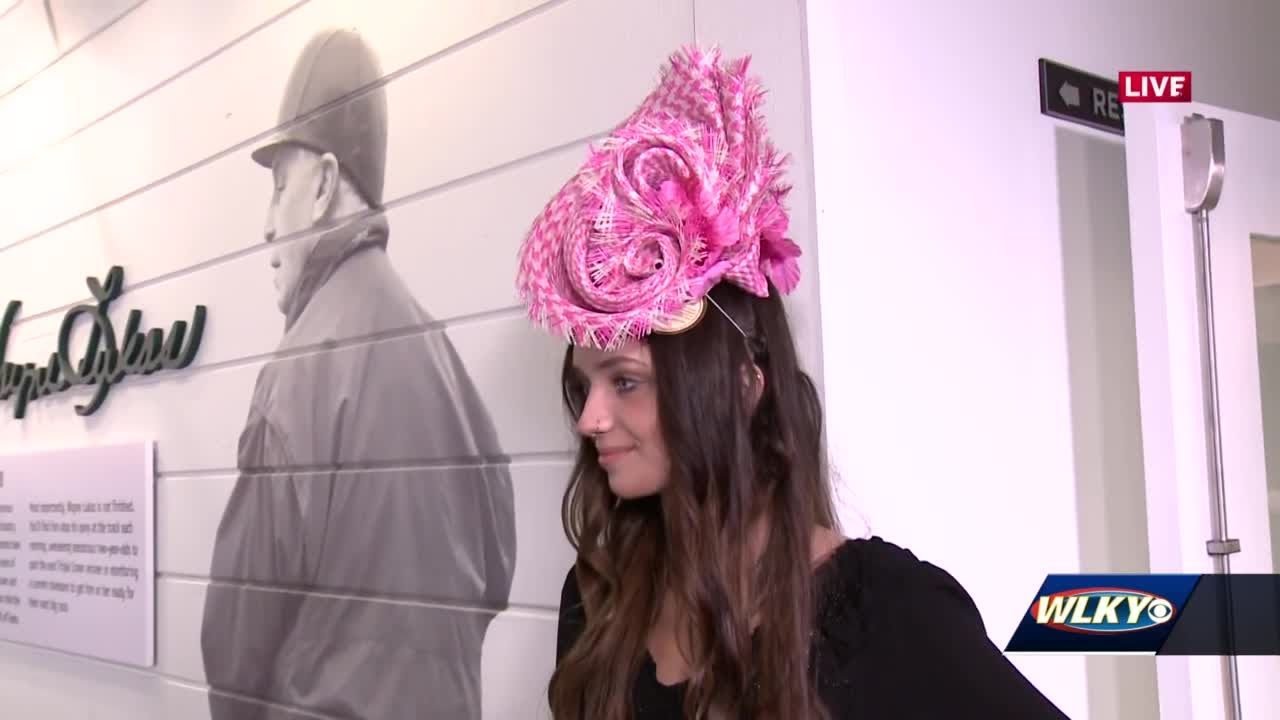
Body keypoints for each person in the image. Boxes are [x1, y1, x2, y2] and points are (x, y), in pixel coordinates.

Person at [514, 45, 1071, 719]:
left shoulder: (879, 611)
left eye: (625, 382)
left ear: (744, 387)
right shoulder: (598, 598)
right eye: (584, 387)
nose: (589, 418)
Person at [200, 28, 517, 719]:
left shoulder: (297, 378)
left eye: (278, 188)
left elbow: (233, 651)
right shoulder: (447, 366)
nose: (265, 226)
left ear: (320, 187)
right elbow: (493, 584)